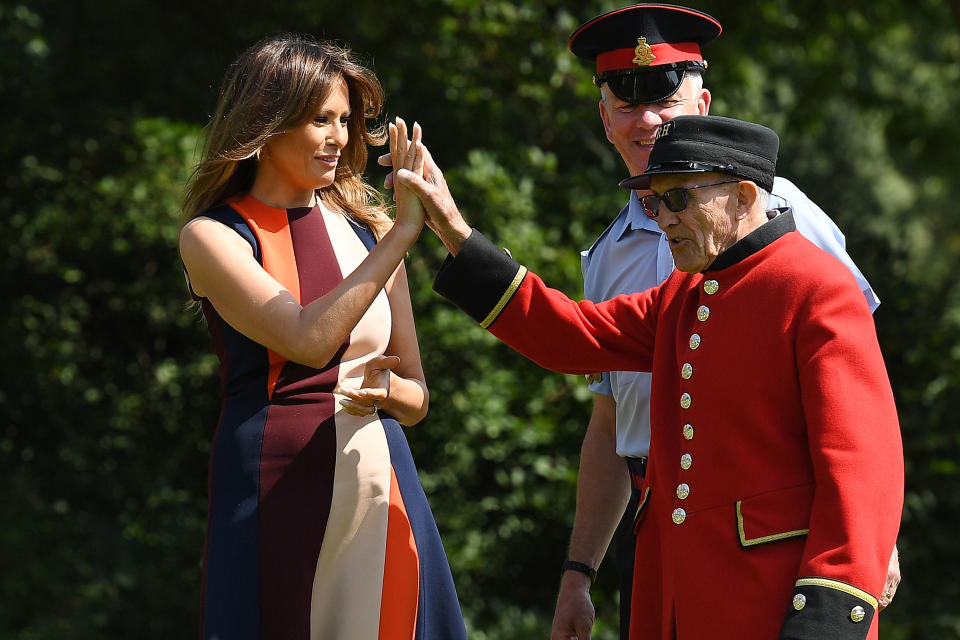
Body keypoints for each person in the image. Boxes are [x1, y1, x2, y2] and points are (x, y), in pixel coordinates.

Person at [396, 114, 903, 640]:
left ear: (745, 195)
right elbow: (570, 334)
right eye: (654, 201)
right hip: (674, 599)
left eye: (679, 198)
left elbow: (861, 469)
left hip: (773, 604)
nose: (662, 217)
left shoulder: (816, 287)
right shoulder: (683, 294)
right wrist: (454, 231)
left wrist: (829, 613)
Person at [556, 6, 896, 639]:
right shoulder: (607, 257)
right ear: (604, 118)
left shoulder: (778, 210)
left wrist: (873, 538)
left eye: (667, 99)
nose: (648, 120)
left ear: (704, 102)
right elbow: (611, 424)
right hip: (658, 535)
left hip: (768, 543)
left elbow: (859, 390)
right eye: (625, 105)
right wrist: (580, 569)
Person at [178, 34, 467, 640]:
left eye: (345, 120)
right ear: (266, 123)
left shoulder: (369, 229)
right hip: (275, 489)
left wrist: (386, 391)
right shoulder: (213, 236)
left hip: (382, 485)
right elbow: (307, 341)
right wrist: (404, 235)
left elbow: (417, 396)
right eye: (320, 120)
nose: (339, 137)